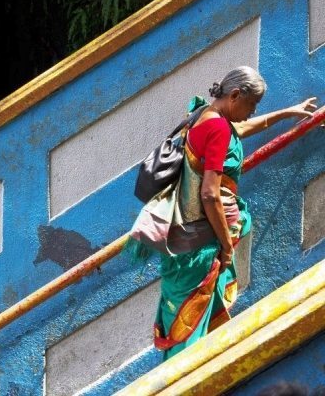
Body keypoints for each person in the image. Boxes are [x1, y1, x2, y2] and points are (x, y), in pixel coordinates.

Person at [127, 66, 318, 360]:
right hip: (200, 246)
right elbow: (209, 193)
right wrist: (226, 247)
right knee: (189, 328)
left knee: (189, 317)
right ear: (235, 95)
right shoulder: (217, 128)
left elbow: (237, 131)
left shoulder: (205, 115)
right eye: (251, 106)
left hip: (189, 240)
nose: (251, 113)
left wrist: (288, 112)